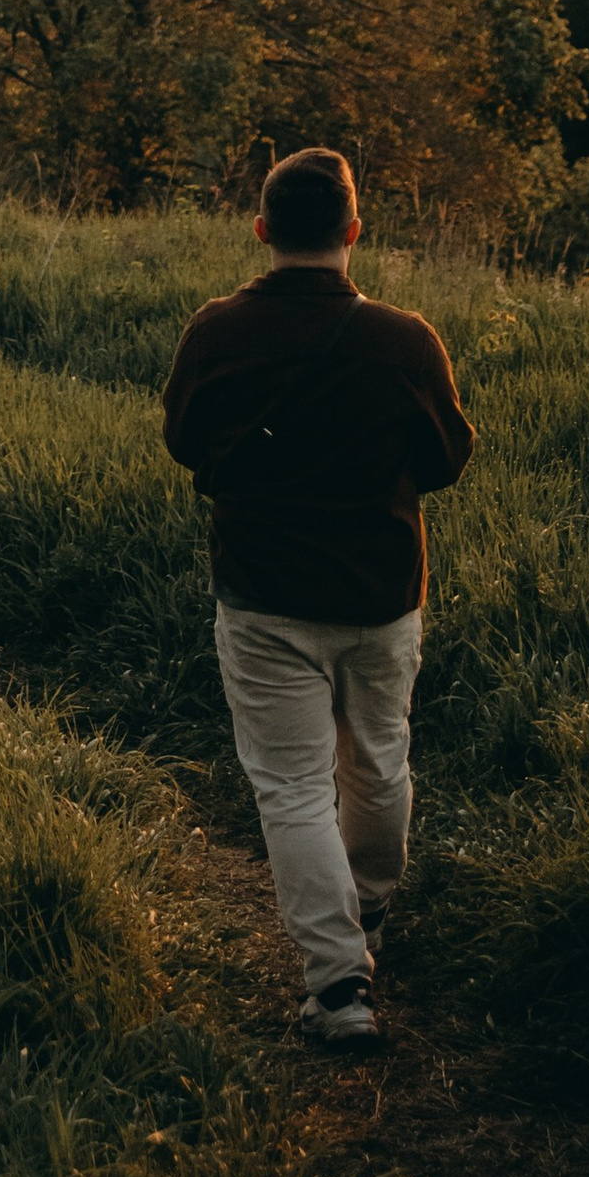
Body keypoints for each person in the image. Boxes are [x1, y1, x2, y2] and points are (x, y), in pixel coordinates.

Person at [161, 145, 474, 1048]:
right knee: (378, 761)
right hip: (382, 592)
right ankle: (367, 915)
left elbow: (185, 443)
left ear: (262, 231)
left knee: (293, 789)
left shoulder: (216, 332)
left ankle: (337, 988)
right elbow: (446, 461)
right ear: (354, 231)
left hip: (264, 596)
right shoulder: (406, 341)